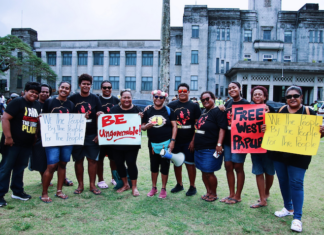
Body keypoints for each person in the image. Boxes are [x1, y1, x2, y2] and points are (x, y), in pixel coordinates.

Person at [262, 85, 323, 232]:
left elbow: (316, 135)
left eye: (295, 96)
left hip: (300, 155)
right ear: (286, 99)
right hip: (279, 153)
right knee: (283, 181)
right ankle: (288, 208)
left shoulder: (309, 112)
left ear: (301, 97)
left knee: (296, 183)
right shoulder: (281, 111)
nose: (292, 99)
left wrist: (322, 131)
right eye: (289, 96)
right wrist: (266, 129)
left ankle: (297, 218)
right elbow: (274, 129)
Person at [0, 82, 41, 207]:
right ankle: (0, 194)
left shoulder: (37, 105)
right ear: (25, 91)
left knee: (20, 168)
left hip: (26, 144)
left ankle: (17, 191)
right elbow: (5, 118)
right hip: (12, 143)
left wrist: (34, 137)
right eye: (31, 92)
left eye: (36, 93)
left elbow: (34, 123)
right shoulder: (17, 102)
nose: (34, 94)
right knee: (6, 168)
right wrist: (8, 137)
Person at [40, 81, 75, 203]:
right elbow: (43, 117)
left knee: (63, 164)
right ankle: (44, 193)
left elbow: (73, 120)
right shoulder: (49, 102)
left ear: (70, 91)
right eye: (62, 87)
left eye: (67, 88)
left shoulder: (71, 104)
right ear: (58, 89)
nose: (64, 90)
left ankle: (59, 191)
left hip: (66, 139)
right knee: (51, 165)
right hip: (52, 139)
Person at [68, 74, 102, 195]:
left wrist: (99, 133)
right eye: (84, 84)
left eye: (88, 84)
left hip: (91, 134)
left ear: (91, 85)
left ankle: (92, 185)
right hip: (77, 134)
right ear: (79, 85)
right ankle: (80, 185)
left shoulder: (95, 99)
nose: (86, 86)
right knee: (78, 160)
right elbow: (67, 116)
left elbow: (100, 117)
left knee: (92, 160)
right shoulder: (72, 99)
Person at [142, 90, 177, 199]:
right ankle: (154, 187)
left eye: (161, 97)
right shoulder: (148, 111)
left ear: (164, 99)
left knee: (165, 165)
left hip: (166, 143)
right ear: (153, 97)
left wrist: (172, 141)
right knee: (154, 165)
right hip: (152, 144)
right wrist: (145, 127)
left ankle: (163, 188)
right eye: (156, 97)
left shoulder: (169, 110)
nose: (158, 99)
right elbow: (142, 126)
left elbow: (174, 126)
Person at [168, 83, 201, 196]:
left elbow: (198, 124)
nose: (182, 93)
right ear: (177, 92)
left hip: (189, 140)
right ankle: (179, 184)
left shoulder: (194, 106)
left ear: (188, 92)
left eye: (184, 91)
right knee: (177, 163)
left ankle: (192, 186)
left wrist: (193, 141)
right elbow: (161, 111)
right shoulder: (171, 105)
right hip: (175, 141)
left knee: (190, 164)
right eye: (180, 91)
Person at [219, 82, 250, 204]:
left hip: (240, 141)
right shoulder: (228, 103)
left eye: (234, 88)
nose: (231, 90)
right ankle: (231, 193)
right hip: (227, 140)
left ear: (240, 89)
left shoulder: (246, 104)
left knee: (238, 166)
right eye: (229, 88)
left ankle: (238, 195)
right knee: (228, 166)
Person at [194, 91, 227, 202]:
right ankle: (208, 192)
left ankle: (214, 194)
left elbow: (222, 128)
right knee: (203, 171)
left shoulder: (218, 111)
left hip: (210, 147)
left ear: (214, 98)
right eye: (203, 100)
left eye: (207, 99)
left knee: (209, 172)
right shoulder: (203, 111)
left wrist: (219, 144)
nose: (205, 101)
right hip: (199, 148)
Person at [109, 89, 143, 196]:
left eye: (129, 97)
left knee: (131, 163)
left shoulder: (137, 110)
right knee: (119, 164)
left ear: (131, 98)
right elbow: (108, 124)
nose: (127, 99)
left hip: (132, 143)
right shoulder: (114, 109)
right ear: (121, 98)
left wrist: (142, 118)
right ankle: (125, 184)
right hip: (117, 142)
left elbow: (143, 125)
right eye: (124, 97)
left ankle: (134, 186)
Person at [249, 86, 275, 208]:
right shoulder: (248, 110)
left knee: (269, 171)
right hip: (254, 145)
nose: (257, 96)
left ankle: (266, 192)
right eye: (255, 94)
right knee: (258, 171)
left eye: (260, 94)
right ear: (252, 97)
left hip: (269, 146)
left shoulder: (272, 109)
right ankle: (262, 198)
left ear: (265, 96)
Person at [97, 80, 119, 188]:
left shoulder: (116, 100)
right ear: (101, 88)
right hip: (101, 134)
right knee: (100, 158)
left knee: (113, 158)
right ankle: (100, 180)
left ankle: (114, 178)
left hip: (114, 135)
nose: (107, 89)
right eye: (104, 87)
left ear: (111, 89)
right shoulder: (97, 100)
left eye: (109, 87)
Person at [29, 84, 52, 186]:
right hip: (37, 136)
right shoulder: (34, 105)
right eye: (42, 91)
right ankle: (43, 178)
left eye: (47, 92)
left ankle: (56, 178)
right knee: (39, 159)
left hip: (51, 136)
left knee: (52, 159)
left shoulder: (52, 103)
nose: (44, 93)